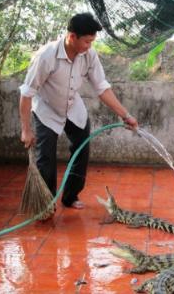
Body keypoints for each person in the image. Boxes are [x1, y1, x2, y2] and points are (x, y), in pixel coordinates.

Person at [19, 13, 138, 210]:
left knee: (81, 150)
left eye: (92, 41)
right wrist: (25, 129)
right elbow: (26, 93)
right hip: (47, 110)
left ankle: (70, 196)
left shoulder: (89, 55)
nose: (89, 46)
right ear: (72, 36)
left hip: (74, 108)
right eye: (87, 41)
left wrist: (125, 115)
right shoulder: (46, 57)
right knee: (45, 158)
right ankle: (46, 204)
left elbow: (102, 87)